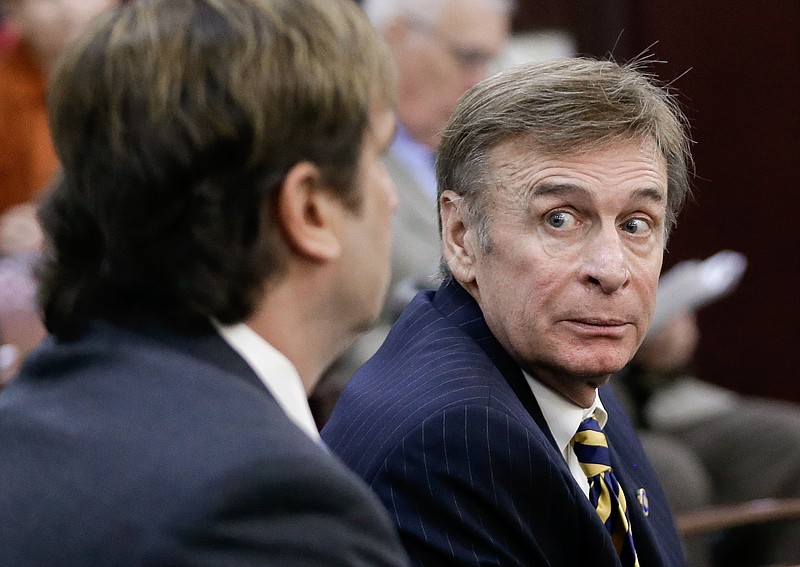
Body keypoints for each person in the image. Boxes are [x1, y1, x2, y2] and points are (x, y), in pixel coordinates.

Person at [0, 0, 409, 565]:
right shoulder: (271, 509)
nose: (391, 197)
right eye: (379, 156)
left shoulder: (23, 425)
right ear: (309, 210)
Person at [323, 57, 692, 566]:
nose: (611, 270)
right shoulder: (450, 441)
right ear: (461, 236)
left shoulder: (568, 376)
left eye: (635, 224)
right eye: (560, 219)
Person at [313, 0, 512, 423]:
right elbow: (336, 337)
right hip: (427, 407)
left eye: (491, 60)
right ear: (397, 36)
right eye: (469, 57)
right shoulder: (335, 151)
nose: (480, 81)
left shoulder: (490, 152)